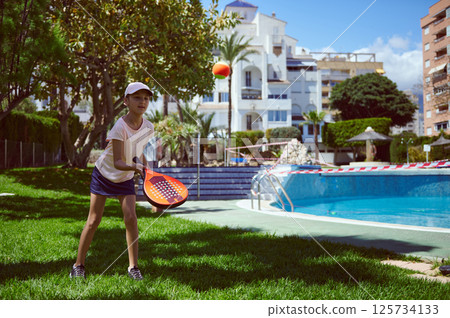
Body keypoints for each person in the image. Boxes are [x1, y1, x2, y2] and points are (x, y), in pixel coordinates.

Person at [70, 82, 157, 280]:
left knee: (131, 219)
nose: (142, 102)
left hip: (125, 178)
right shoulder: (119, 127)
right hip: (104, 174)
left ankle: (133, 268)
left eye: (146, 98)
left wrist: (146, 167)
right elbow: (118, 161)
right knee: (93, 220)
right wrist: (137, 168)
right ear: (126, 101)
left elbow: (137, 151)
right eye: (137, 97)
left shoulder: (148, 127)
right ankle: (78, 265)